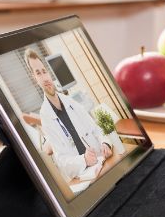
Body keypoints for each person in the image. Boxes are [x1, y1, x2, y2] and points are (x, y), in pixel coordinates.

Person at [24, 48, 112, 182]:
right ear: (34, 78)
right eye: (38, 73)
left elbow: (96, 128)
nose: (44, 77)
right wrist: (84, 160)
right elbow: (61, 161)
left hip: (103, 162)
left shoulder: (71, 102)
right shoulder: (46, 117)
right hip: (85, 175)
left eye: (44, 71)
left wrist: (106, 143)